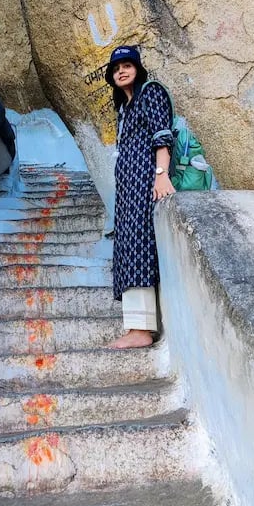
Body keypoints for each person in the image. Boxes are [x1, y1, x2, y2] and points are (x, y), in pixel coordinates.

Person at [105, 45, 175, 348]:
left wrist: (161, 175)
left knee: (139, 249)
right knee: (127, 249)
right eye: (116, 68)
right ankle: (134, 326)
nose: (121, 71)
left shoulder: (150, 93)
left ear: (138, 68)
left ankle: (142, 330)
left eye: (127, 65)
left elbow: (162, 134)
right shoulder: (125, 109)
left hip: (145, 185)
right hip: (128, 192)